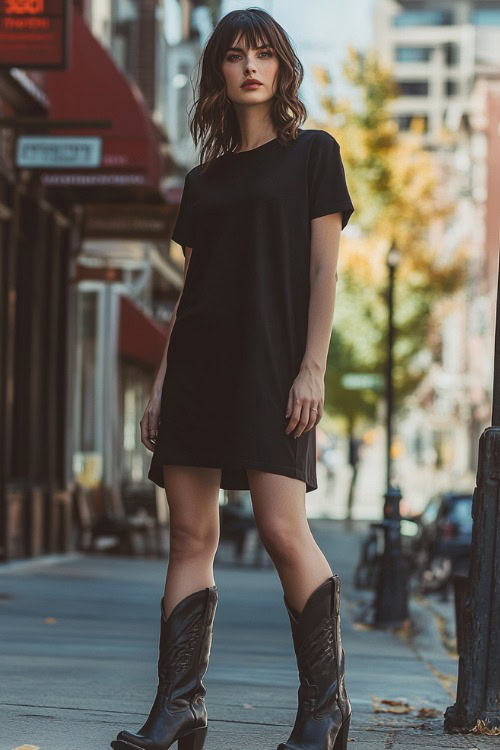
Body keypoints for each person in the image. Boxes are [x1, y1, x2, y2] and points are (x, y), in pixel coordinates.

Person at [111, 7, 355, 750]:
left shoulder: (313, 154)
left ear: (282, 68)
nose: (250, 66)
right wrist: (157, 385)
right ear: (217, 71)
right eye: (235, 55)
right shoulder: (203, 180)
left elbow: (323, 269)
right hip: (196, 372)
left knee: (283, 531)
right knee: (189, 535)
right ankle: (179, 709)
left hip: (273, 367)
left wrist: (311, 366)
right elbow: (190, 292)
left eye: (264, 54)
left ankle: (325, 709)